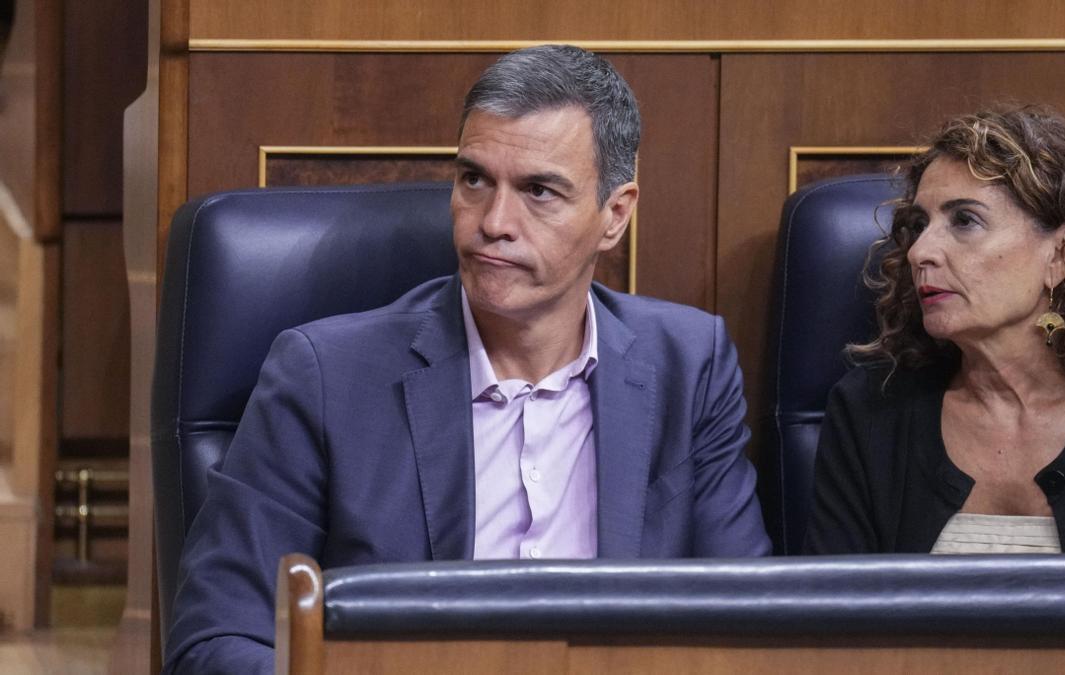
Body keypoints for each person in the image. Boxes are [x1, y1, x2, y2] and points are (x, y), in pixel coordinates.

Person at [164, 45, 770, 673]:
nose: (493, 222)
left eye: (539, 190)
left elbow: (749, 626)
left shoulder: (689, 367)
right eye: (474, 179)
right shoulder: (324, 376)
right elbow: (217, 641)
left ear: (614, 215)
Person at [803, 105, 1065, 555]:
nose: (920, 253)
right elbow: (833, 616)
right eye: (918, 226)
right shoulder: (868, 411)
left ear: (1063, 253)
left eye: (965, 220)